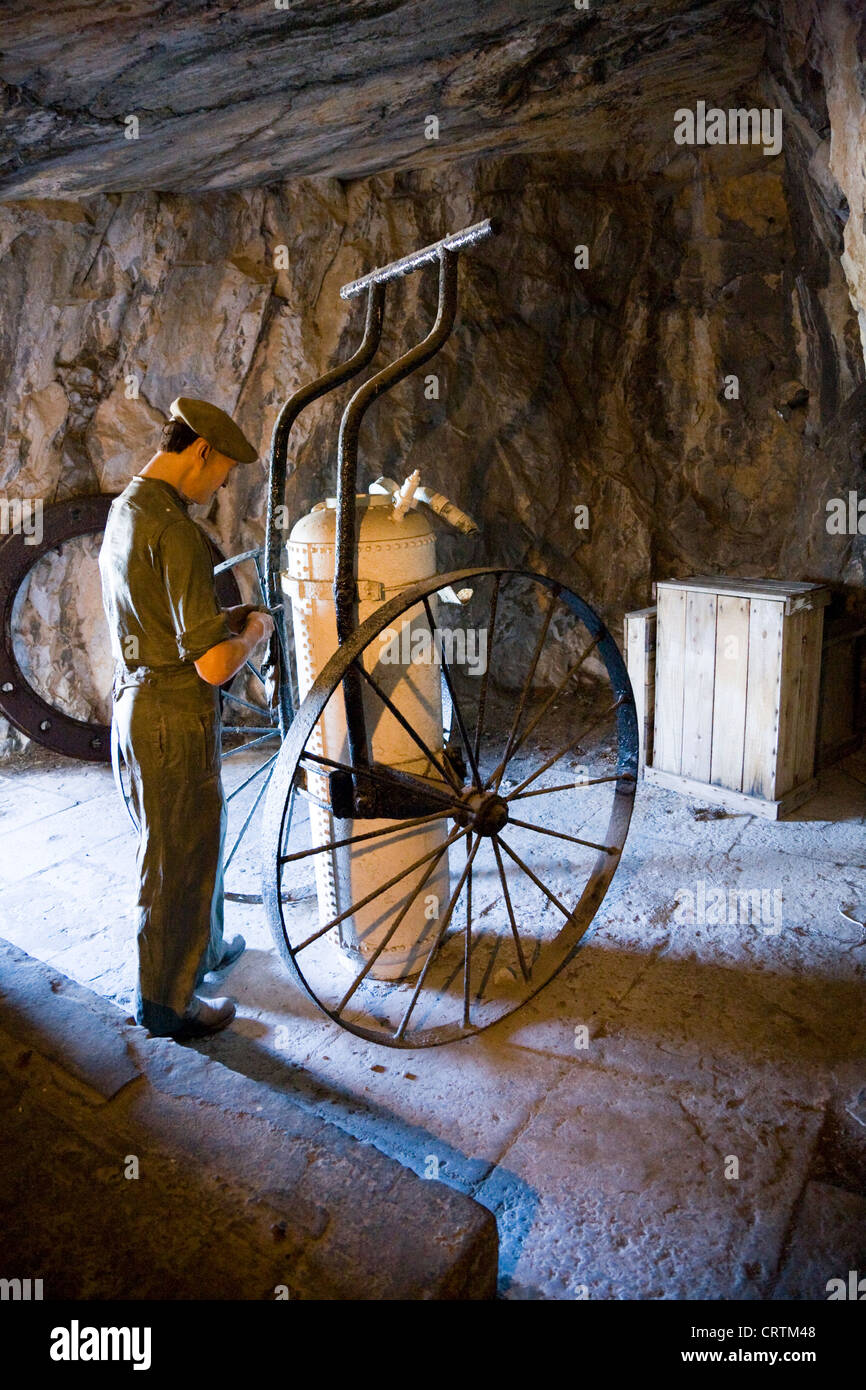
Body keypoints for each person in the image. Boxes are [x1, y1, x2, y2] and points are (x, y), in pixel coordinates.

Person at [98, 397, 275, 1039]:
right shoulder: (175, 529)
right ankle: (167, 1003)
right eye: (222, 469)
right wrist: (252, 632)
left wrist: (223, 622)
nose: (221, 485)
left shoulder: (129, 509)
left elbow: (157, 617)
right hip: (174, 714)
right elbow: (210, 667)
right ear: (199, 450)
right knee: (174, 859)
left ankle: (205, 947)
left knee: (196, 836)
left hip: (136, 702)